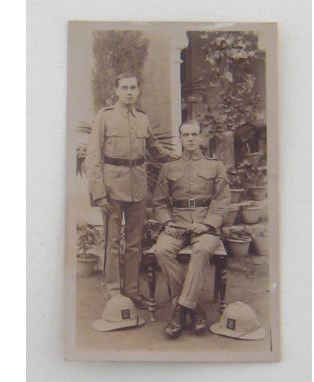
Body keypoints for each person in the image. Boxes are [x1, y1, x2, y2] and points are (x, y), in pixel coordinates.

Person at [85, 72, 178, 309]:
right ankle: (115, 294)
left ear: (138, 91)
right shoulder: (104, 117)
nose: (129, 92)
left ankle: (133, 292)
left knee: (135, 242)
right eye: (124, 87)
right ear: (116, 91)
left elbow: (154, 147)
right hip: (111, 187)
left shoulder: (142, 119)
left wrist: (177, 156)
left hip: (137, 186)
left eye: (133, 88)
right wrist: (98, 193)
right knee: (113, 242)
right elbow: (93, 156)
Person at [152, 120, 231, 338]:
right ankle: (194, 310)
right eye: (185, 135)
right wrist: (167, 223)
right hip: (177, 223)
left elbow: (222, 201)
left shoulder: (215, 166)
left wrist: (206, 224)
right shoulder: (169, 167)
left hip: (205, 224)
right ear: (180, 138)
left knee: (202, 249)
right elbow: (158, 202)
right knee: (162, 250)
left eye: (194, 134)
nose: (190, 139)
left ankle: (179, 312)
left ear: (201, 137)